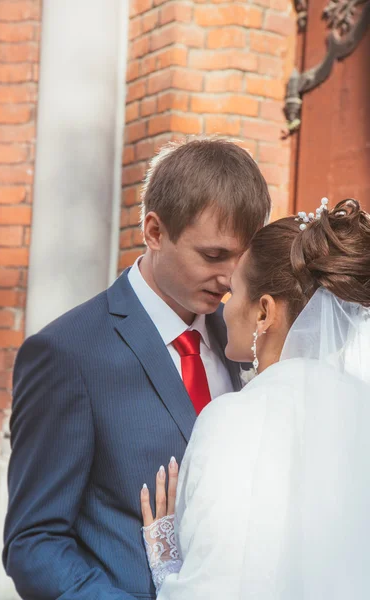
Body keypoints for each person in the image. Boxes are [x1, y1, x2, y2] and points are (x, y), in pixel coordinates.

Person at [3, 138, 271, 599]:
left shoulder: (246, 344)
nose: (229, 280)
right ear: (153, 231)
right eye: (212, 256)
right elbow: (33, 543)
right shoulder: (67, 354)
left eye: (240, 259)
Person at [141, 198, 370, 599]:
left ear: (264, 312)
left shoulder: (233, 420)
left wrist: (166, 561)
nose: (224, 309)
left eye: (234, 292)